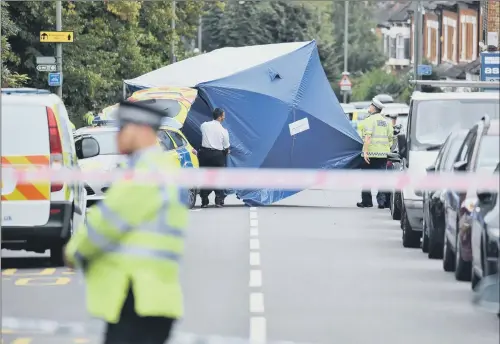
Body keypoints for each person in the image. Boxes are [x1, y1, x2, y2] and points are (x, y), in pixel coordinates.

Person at [64, 100, 188, 344]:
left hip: (137, 295)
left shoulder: (145, 172)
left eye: (122, 128)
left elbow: (106, 221)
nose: (118, 136)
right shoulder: (163, 167)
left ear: (142, 130)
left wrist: (74, 251)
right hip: (155, 294)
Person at [357, 97, 394, 209]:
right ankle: (382, 202)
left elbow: (367, 137)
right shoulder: (386, 122)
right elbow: (391, 139)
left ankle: (367, 201)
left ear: (374, 108)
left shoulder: (369, 120)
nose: (370, 107)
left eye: (371, 105)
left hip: (371, 153)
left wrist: (366, 152)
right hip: (383, 154)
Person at [199, 107, 230, 208]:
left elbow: (203, 133)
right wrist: (227, 151)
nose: (224, 117)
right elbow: (226, 146)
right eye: (224, 115)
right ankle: (218, 199)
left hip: (204, 154)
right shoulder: (224, 131)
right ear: (220, 117)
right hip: (217, 155)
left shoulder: (204, 125)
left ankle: (204, 200)